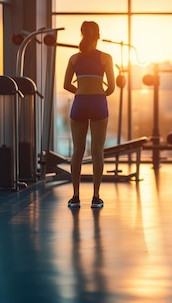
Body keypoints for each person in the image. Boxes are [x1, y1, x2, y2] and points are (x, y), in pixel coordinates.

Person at [63, 21, 116, 208]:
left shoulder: (74, 58)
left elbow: (66, 85)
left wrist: (81, 91)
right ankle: (96, 197)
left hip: (80, 102)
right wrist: (99, 94)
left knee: (77, 151)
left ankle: (75, 197)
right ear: (98, 35)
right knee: (97, 151)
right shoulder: (106, 58)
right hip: (98, 103)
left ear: (82, 34)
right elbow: (111, 87)